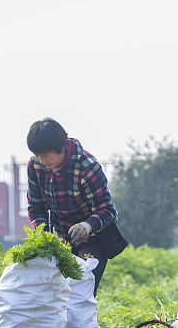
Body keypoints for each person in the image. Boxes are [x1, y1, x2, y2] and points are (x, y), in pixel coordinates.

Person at [25, 118, 128, 294]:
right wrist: (43, 235)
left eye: (45, 155)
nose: (41, 160)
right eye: (37, 155)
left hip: (94, 236)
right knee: (56, 293)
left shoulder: (87, 166)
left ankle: (82, 321)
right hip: (61, 236)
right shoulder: (35, 166)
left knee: (81, 292)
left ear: (61, 147)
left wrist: (86, 226)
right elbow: (36, 207)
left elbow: (107, 210)